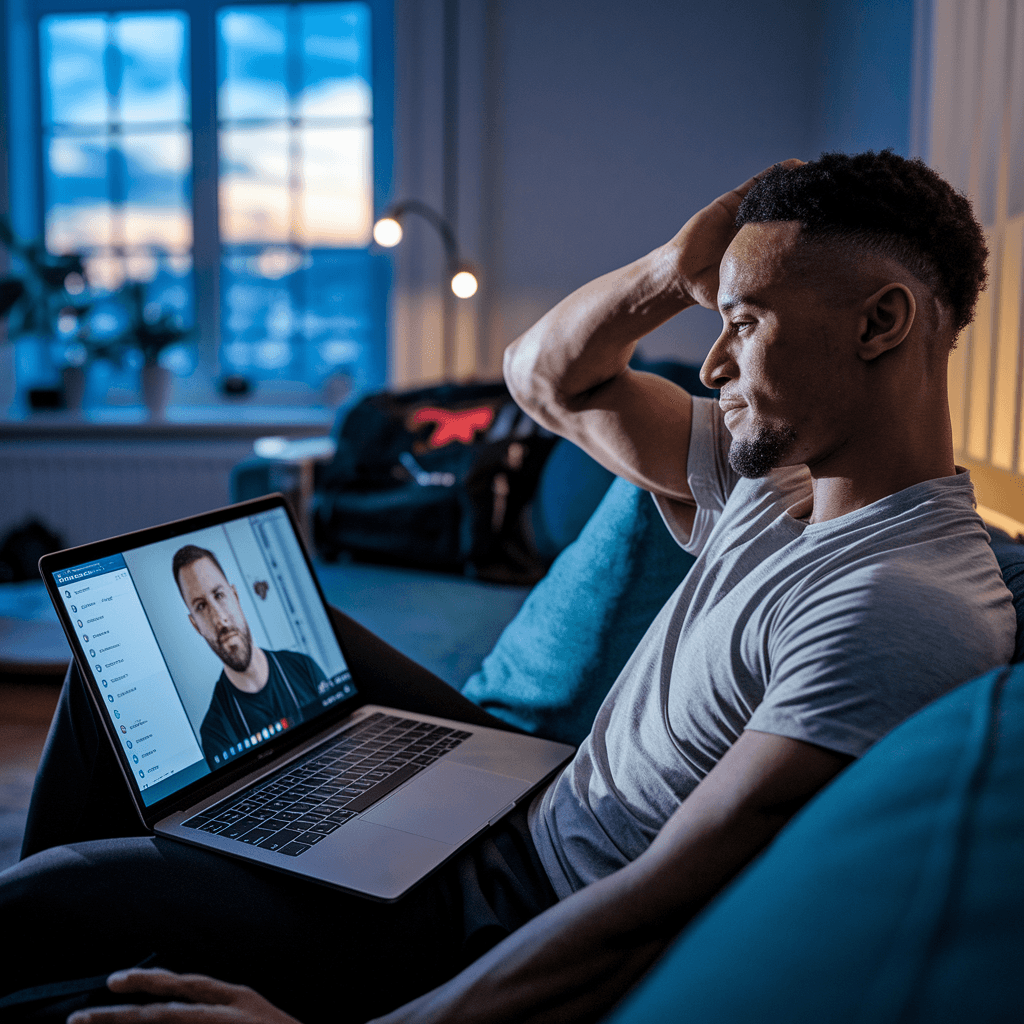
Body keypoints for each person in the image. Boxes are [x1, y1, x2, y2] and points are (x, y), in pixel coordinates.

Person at [1, 151, 1015, 1024]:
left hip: (493, 917)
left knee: (45, 899)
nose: (711, 364)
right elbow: (543, 377)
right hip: (519, 804)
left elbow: (652, 909)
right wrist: (671, 268)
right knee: (118, 657)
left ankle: (78, 955)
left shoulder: (895, 605)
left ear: (881, 322)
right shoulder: (777, 480)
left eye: (742, 323)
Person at [171, 545, 328, 763]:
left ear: (235, 596)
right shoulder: (215, 733)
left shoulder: (304, 668)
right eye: (201, 606)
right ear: (195, 625)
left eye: (219, 595)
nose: (219, 619)